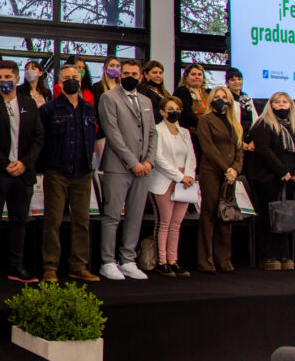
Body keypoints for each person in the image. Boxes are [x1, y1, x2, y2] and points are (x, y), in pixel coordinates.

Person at [0, 60, 44, 285]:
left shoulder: (29, 103)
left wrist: (24, 163)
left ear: (16, 78)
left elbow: (38, 137)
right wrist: (5, 164)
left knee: (19, 221)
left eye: (7, 77)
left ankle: (16, 267)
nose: (3, 81)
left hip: (23, 174)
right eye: (0, 78)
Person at [39, 62, 100, 282]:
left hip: (83, 172)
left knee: (82, 221)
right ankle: (50, 267)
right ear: (59, 82)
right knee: (52, 222)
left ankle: (79, 266)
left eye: (75, 76)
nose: (71, 80)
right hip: (57, 171)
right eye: (66, 78)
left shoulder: (90, 109)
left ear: (81, 79)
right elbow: (41, 140)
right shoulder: (48, 109)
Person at [97, 59, 157, 281]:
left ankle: (128, 260)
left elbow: (152, 133)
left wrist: (149, 161)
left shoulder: (146, 100)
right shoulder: (109, 98)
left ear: (141, 77)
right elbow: (113, 134)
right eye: (126, 73)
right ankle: (107, 261)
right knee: (112, 215)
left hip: (144, 169)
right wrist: (133, 162)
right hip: (119, 167)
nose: (130, 76)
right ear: (120, 75)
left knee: (135, 215)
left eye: (134, 73)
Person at [146, 96, 196, 278]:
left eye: (177, 109)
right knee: (164, 222)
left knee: (176, 224)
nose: (174, 112)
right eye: (170, 109)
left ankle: (173, 261)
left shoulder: (184, 132)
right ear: (162, 112)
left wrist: (189, 175)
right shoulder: (157, 131)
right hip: (164, 180)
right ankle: (162, 261)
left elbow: (191, 155)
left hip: (184, 183)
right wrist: (180, 176)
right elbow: (158, 159)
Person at [196, 86, 243, 274]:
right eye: (218, 97)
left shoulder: (235, 123)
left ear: (230, 101)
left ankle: (224, 260)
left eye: (225, 97)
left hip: (230, 174)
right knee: (209, 214)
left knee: (226, 214)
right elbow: (208, 148)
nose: (221, 100)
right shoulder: (205, 120)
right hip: (212, 172)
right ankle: (205, 261)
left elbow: (239, 149)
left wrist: (235, 170)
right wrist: (226, 169)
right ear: (211, 100)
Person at [248, 93, 295, 272]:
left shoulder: (292, 126)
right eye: (277, 102)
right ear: (271, 105)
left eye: (285, 102)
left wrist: (292, 173)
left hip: (289, 179)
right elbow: (263, 150)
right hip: (267, 178)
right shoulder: (263, 124)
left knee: (285, 216)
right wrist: (282, 171)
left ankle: (284, 255)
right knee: (269, 216)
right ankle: (269, 256)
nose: (281, 106)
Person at [173, 63, 209, 160]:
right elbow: (186, 115)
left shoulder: (208, 92)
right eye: (193, 74)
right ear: (186, 77)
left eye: (199, 74)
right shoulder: (181, 91)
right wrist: (205, 127)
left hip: (207, 136)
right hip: (189, 136)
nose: (197, 77)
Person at [226, 68, 258, 146]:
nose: (237, 82)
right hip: (233, 140)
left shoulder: (247, 99)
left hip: (249, 141)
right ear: (227, 83)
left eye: (239, 79)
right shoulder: (226, 98)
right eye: (233, 80)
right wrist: (239, 142)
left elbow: (256, 120)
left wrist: (253, 141)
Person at [140, 60, 169, 125]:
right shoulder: (142, 89)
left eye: (160, 73)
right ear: (146, 74)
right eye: (155, 73)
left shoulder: (165, 93)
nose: (158, 75)